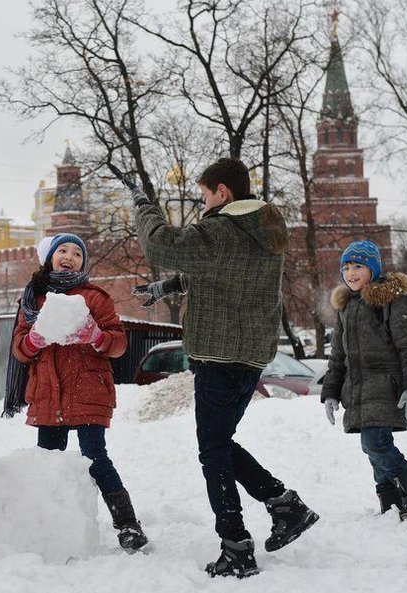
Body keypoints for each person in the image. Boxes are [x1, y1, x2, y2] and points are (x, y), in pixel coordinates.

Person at [118, 157, 317, 578]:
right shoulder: (263, 230)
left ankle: (237, 544)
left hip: (219, 355)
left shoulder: (220, 228)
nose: (203, 202)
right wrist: (169, 285)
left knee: (212, 449)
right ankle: (284, 507)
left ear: (223, 192)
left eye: (205, 194)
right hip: (249, 356)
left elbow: (160, 244)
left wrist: (145, 206)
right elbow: (224, 275)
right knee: (219, 442)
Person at [5, 233, 148, 551]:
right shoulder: (32, 300)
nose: (69, 256)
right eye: (62, 250)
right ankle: (52, 526)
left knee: (96, 458)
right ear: (50, 257)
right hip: (47, 392)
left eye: (77, 253)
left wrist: (96, 335)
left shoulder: (95, 297)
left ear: (83, 263)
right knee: (49, 462)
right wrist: (34, 341)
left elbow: (119, 342)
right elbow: (18, 348)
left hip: (87, 390)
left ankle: (127, 525)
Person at [320, 240, 407, 520]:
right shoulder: (345, 307)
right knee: (372, 447)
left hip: (387, 386)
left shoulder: (391, 300)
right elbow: (338, 356)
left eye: (358, 266)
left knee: (376, 443)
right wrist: (331, 392)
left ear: (373, 268)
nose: (351, 273)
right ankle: (391, 505)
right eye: (346, 268)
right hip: (358, 390)